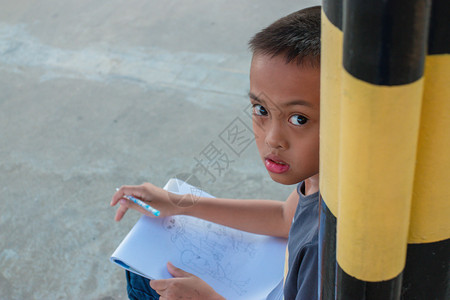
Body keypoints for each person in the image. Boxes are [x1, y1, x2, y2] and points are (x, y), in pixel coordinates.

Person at [111, 6, 321, 300]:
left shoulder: (323, 247)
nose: (272, 139)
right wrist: (178, 203)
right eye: (261, 110)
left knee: (147, 282)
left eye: (298, 119)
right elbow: (287, 217)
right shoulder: (320, 180)